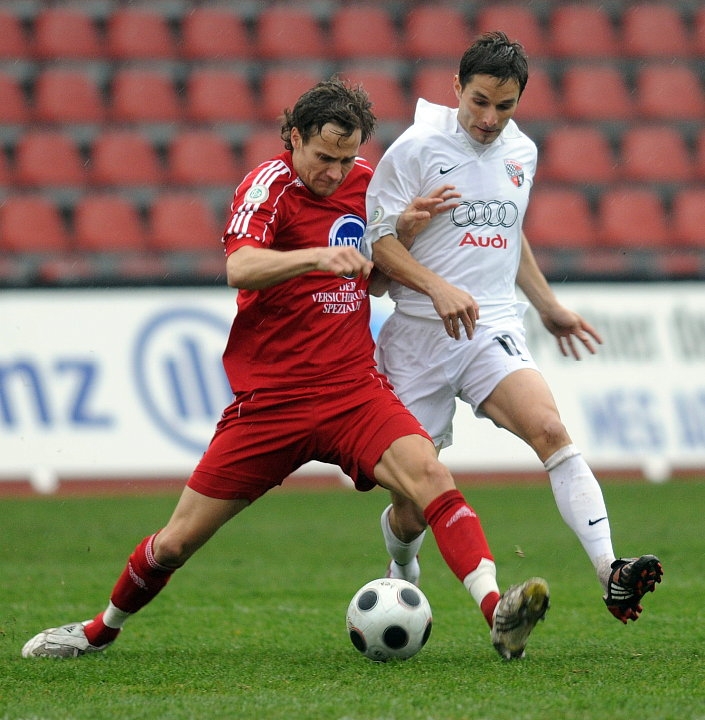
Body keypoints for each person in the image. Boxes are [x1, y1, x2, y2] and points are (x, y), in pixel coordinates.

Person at [22, 78, 548, 663]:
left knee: (430, 477)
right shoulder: (268, 186)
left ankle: (498, 613)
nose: (334, 171)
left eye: (346, 158)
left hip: (352, 389)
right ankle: (100, 629)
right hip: (272, 402)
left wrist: (401, 235)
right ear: (294, 137)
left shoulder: (367, 185)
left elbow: (370, 278)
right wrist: (316, 257)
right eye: (323, 157)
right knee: (173, 544)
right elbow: (241, 268)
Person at [364, 33, 662, 624]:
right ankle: (403, 573)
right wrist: (435, 285)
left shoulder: (521, 151)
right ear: (456, 86)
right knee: (411, 506)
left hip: (491, 327)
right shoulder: (416, 148)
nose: (489, 118)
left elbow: (510, 232)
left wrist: (546, 304)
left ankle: (611, 572)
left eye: (504, 106)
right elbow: (378, 245)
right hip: (419, 335)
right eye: (479, 101)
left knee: (550, 428)